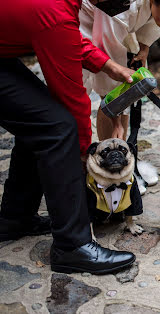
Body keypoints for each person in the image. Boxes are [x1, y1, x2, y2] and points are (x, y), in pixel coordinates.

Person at [0, 0, 139, 274]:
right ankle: (72, 247)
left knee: (41, 119)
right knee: (58, 128)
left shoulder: (62, 7)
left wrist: (108, 65)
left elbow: (66, 37)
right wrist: (85, 151)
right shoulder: (54, 10)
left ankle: (15, 218)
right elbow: (72, 97)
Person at [79, 0, 160, 141]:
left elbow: (151, 17)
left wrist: (144, 45)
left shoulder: (158, 9)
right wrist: (115, 119)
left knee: (127, 92)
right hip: (82, 25)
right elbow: (111, 70)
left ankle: (120, 150)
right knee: (79, 97)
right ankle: (96, 154)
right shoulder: (120, 6)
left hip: (116, 27)